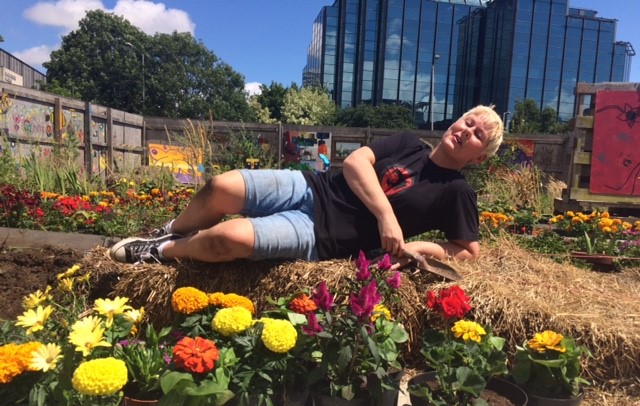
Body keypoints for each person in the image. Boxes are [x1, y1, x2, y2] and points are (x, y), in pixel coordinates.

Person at [109, 105, 503, 266]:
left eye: (478, 135)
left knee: (226, 239)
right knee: (220, 186)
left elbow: (468, 251)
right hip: (311, 187)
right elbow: (354, 162)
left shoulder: (457, 191)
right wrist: (387, 216)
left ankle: (162, 251)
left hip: (325, 236)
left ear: (479, 156)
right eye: (467, 122)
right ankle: (169, 229)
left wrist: (421, 247)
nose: (466, 131)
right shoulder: (407, 143)